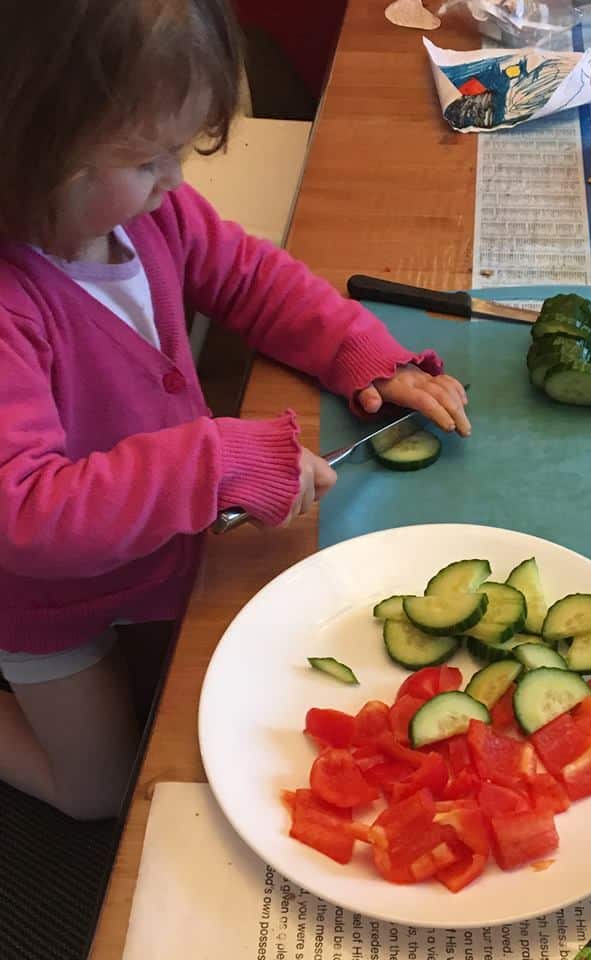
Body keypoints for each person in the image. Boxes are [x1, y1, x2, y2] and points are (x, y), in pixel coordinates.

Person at [0, 0, 471, 821]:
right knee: (98, 790)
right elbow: (29, 515)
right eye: (151, 157)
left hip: (152, 548)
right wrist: (215, 462)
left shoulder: (149, 213)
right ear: (35, 156)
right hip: (41, 595)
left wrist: (363, 352)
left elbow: (251, 278)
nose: (176, 181)